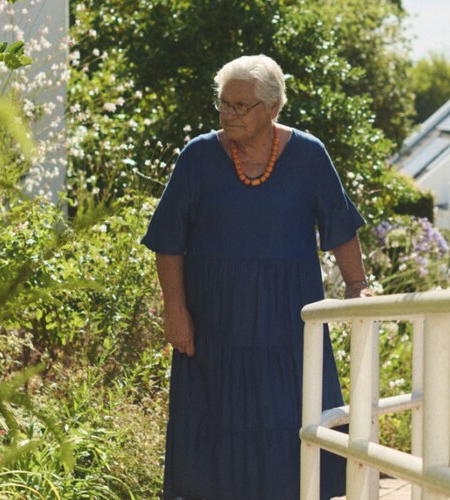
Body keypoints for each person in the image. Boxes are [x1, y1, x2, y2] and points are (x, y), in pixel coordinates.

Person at [141, 54, 370, 499]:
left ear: (273, 107)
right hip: (213, 328)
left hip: (289, 325)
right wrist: (175, 309)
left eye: (241, 106)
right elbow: (168, 241)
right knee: (214, 431)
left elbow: (340, 227)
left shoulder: (309, 155)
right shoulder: (198, 156)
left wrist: (358, 286)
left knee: (292, 426)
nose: (229, 114)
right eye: (224, 104)